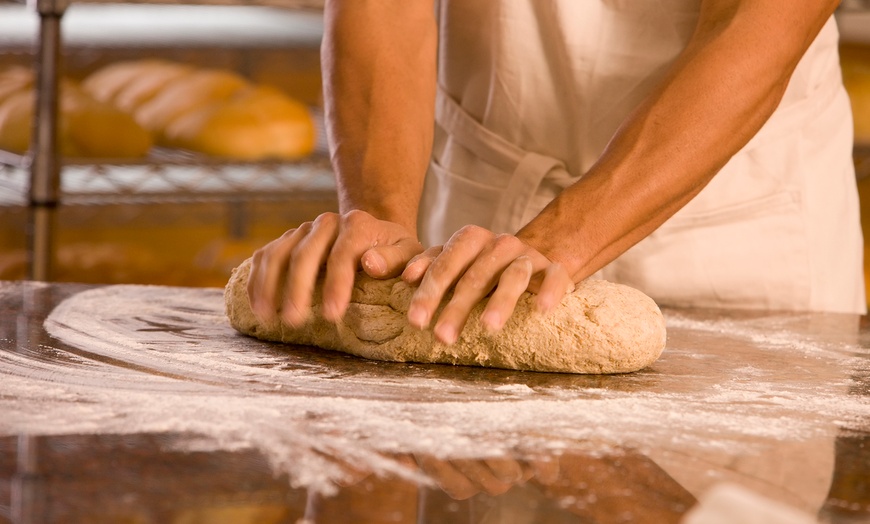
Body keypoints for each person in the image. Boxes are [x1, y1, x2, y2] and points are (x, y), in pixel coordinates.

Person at [247, 0, 867, 346]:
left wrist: (557, 242)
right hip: (478, 208)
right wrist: (381, 210)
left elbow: (757, 23)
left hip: (735, 216)